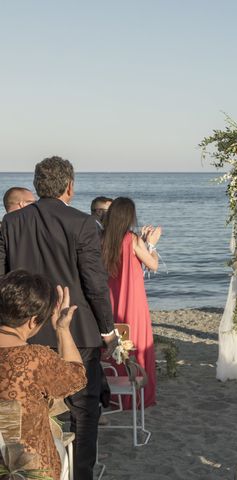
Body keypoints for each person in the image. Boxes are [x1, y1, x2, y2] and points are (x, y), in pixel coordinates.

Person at [0, 156, 116, 480]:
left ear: (38, 186)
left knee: (23, 410)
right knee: (83, 412)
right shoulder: (82, 223)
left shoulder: (10, 223)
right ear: (69, 187)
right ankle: (80, 475)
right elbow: (94, 283)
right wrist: (107, 329)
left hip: (24, 330)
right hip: (76, 331)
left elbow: (2, 278)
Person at [0, 270, 87, 480]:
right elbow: (77, 376)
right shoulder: (34, 359)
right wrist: (62, 330)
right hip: (29, 468)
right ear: (32, 321)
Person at [101, 197, 160, 408]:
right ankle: (134, 395)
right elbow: (152, 265)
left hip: (109, 299)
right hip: (133, 300)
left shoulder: (102, 239)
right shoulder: (132, 239)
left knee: (113, 341)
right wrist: (151, 244)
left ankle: (113, 393)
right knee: (136, 342)